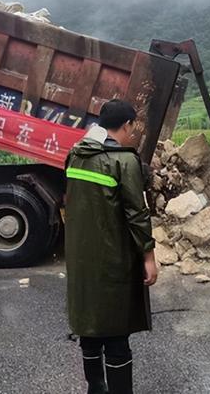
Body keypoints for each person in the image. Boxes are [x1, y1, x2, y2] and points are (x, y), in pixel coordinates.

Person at [64, 99, 157, 394]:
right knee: (116, 333)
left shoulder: (75, 155)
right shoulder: (124, 160)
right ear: (127, 125)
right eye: (135, 127)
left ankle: (96, 387)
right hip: (113, 259)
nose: (135, 133)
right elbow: (136, 213)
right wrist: (149, 256)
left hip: (81, 260)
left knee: (90, 326)